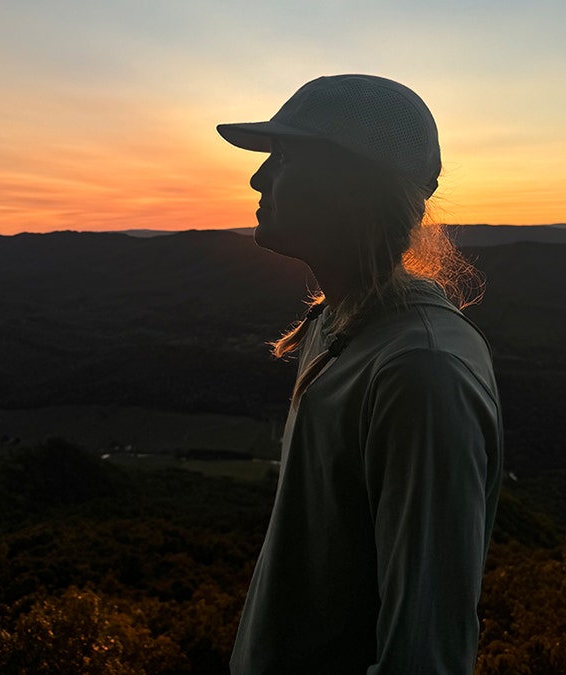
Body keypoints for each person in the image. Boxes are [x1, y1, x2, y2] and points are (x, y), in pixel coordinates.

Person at [216, 75, 503, 673]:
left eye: (285, 156)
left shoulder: (422, 372)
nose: (257, 178)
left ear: (351, 186)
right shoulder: (336, 325)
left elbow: (426, 650)